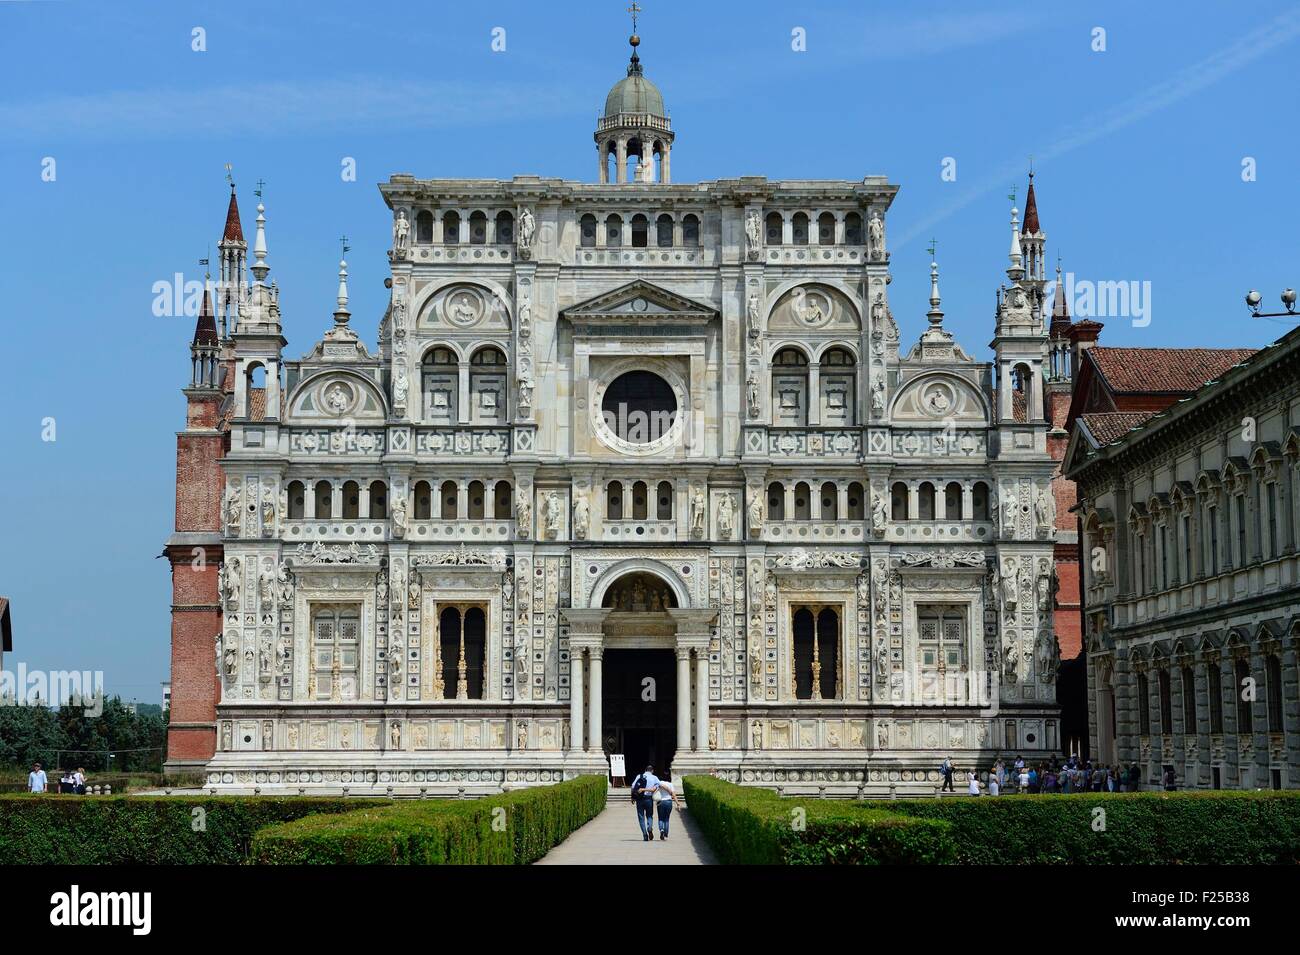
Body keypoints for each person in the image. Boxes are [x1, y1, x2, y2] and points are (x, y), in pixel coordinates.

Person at [630, 764, 659, 842]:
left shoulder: (639, 776)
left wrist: (632, 797)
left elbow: (633, 786)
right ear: (652, 770)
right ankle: (649, 828)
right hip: (649, 799)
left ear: (645, 770)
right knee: (649, 815)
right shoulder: (655, 778)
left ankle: (645, 835)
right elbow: (655, 789)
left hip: (639, 799)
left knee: (641, 817)